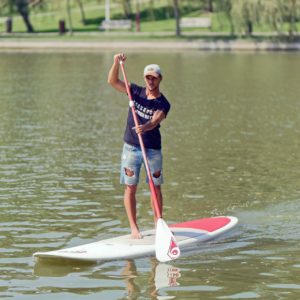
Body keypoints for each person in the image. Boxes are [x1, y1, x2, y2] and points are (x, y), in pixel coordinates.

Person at [107, 53, 171, 239]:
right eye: (148, 77)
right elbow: (112, 81)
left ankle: (158, 223)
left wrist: (146, 127)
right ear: (145, 78)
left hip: (152, 149)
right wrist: (115, 63)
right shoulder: (135, 92)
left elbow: (157, 119)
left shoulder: (163, 103)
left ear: (160, 79)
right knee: (130, 187)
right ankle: (134, 229)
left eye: (154, 77)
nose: (150, 80)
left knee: (155, 187)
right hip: (131, 148)